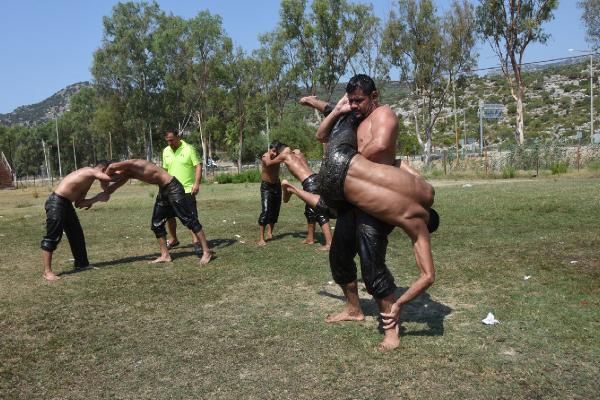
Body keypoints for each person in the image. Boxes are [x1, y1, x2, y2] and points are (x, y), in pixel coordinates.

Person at [299, 74, 437, 351]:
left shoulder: (384, 113)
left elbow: (381, 146)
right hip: (353, 196)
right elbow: (330, 116)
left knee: (371, 263)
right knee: (339, 257)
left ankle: (391, 329)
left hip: (377, 204)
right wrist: (319, 104)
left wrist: (348, 155)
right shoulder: (355, 115)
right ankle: (354, 309)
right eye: (351, 101)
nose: (355, 105)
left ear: (374, 97)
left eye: (359, 101)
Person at [104, 159, 212, 265]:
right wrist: (103, 188)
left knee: (189, 220)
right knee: (156, 223)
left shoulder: (135, 163)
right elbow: (111, 188)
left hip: (173, 188)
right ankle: (165, 255)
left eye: (115, 172)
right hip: (164, 190)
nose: (115, 175)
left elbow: (111, 168)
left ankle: (207, 252)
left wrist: (103, 175)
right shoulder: (128, 173)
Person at [40, 161, 113, 282]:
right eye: (108, 170)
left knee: (76, 234)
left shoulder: (88, 181)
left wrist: (97, 198)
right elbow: (108, 177)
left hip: (66, 204)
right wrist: (128, 172)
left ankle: (82, 264)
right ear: (104, 169)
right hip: (56, 202)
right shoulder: (90, 170)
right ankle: (47, 272)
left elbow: (79, 203)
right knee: (52, 237)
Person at [265, 141, 333, 251]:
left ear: (278, 150)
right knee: (310, 211)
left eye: (275, 151)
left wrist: (267, 154)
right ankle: (310, 238)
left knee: (320, 211)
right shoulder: (298, 154)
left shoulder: (284, 155)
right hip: (316, 178)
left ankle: (329, 243)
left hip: (309, 183)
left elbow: (268, 163)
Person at [162, 130, 204, 257]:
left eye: (172, 140)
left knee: (191, 217)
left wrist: (196, 183)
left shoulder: (189, 149)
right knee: (169, 216)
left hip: (187, 189)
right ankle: (174, 239)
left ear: (178, 137)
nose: (170, 143)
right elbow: (164, 170)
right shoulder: (166, 151)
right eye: (167, 140)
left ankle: (196, 242)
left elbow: (198, 166)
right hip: (170, 190)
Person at [257, 141, 283, 246]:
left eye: (277, 152)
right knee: (266, 210)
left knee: (275, 210)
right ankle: (261, 238)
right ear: (269, 149)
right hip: (266, 187)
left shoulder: (279, 156)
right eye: (273, 151)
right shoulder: (265, 156)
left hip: (277, 185)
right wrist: (282, 157)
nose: (275, 154)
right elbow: (268, 163)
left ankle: (270, 232)